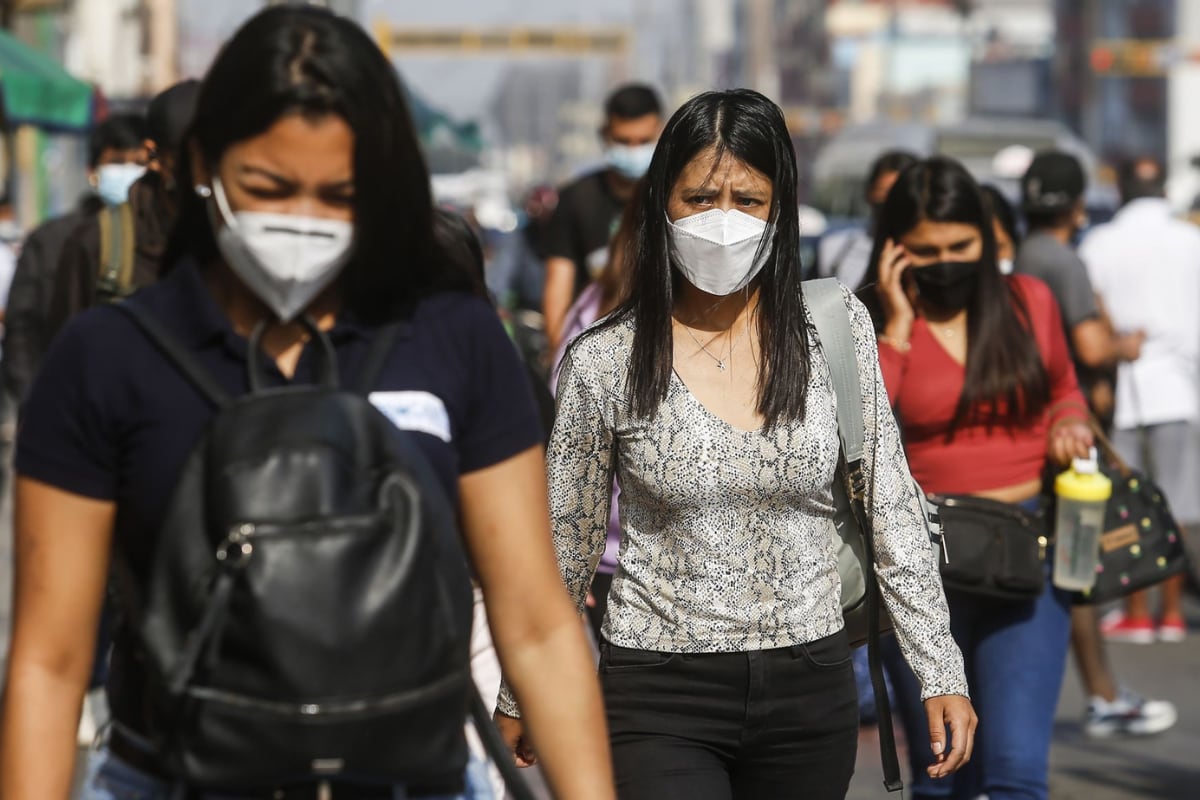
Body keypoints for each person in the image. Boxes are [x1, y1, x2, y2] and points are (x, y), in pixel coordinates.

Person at [0, 7, 612, 799]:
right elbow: (49, 662)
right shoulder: (106, 358)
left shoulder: (455, 341)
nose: (303, 219)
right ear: (202, 166)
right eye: (268, 187)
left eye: (340, 194)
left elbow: (535, 624)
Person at [498, 89, 975, 800]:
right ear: (663, 203)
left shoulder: (833, 329)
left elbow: (892, 505)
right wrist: (520, 692)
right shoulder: (605, 361)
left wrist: (938, 669)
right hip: (658, 691)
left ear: (780, 208)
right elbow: (565, 540)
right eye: (699, 197)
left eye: (747, 199)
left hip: (810, 685)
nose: (723, 219)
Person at [863, 156, 1093, 800]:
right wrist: (898, 331)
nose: (944, 262)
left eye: (960, 245)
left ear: (989, 237)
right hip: (919, 568)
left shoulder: (1030, 301)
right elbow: (864, 434)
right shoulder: (866, 323)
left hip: (1028, 555)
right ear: (893, 248)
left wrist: (1067, 424)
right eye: (924, 249)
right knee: (942, 779)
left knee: (1016, 774)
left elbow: (1065, 390)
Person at [1016, 153, 1176, 739]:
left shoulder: (1026, 253)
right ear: (1077, 206)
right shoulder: (1064, 261)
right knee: (1077, 566)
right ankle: (1103, 697)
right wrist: (1124, 344)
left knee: (1066, 566)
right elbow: (1088, 347)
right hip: (1068, 431)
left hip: (1037, 429)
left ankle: (1099, 694)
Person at [1081, 156, 1200, 648]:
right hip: (1179, 386)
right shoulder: (1190, 239)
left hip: (1124, 384)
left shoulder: (1101, 242)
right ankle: (1171, 614)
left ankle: (1135, 611)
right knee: (1172, 504)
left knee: (1127, 503)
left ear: (1124, 188)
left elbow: (1090, 309)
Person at [2, 113, 147, 405]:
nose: (130, 172)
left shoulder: (160, 239)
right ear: (92, 171)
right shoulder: (53, 239)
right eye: (118, 162)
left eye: (139, 163)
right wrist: (36, 403)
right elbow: (23, 328)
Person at [45, 80, 200, 340]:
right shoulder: (95, 243)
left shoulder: (230, 239)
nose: (203, 171)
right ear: (154, 157)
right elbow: (63, 356)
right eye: (190, 157)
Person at [542, 83, 663, 349]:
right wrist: (560, 362)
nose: (633, 150)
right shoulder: (577, 198)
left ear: (661, 133)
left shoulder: (671, 197)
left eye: (643, 142)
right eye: (623, 141)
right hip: (594, 346)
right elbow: (558, 288)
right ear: (605, 134)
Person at [817, 150, 918, 289]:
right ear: (869, 192)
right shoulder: (834, 249)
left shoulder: (929, 253)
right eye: (884, 192)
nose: (890, 202)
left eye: (899, 194)